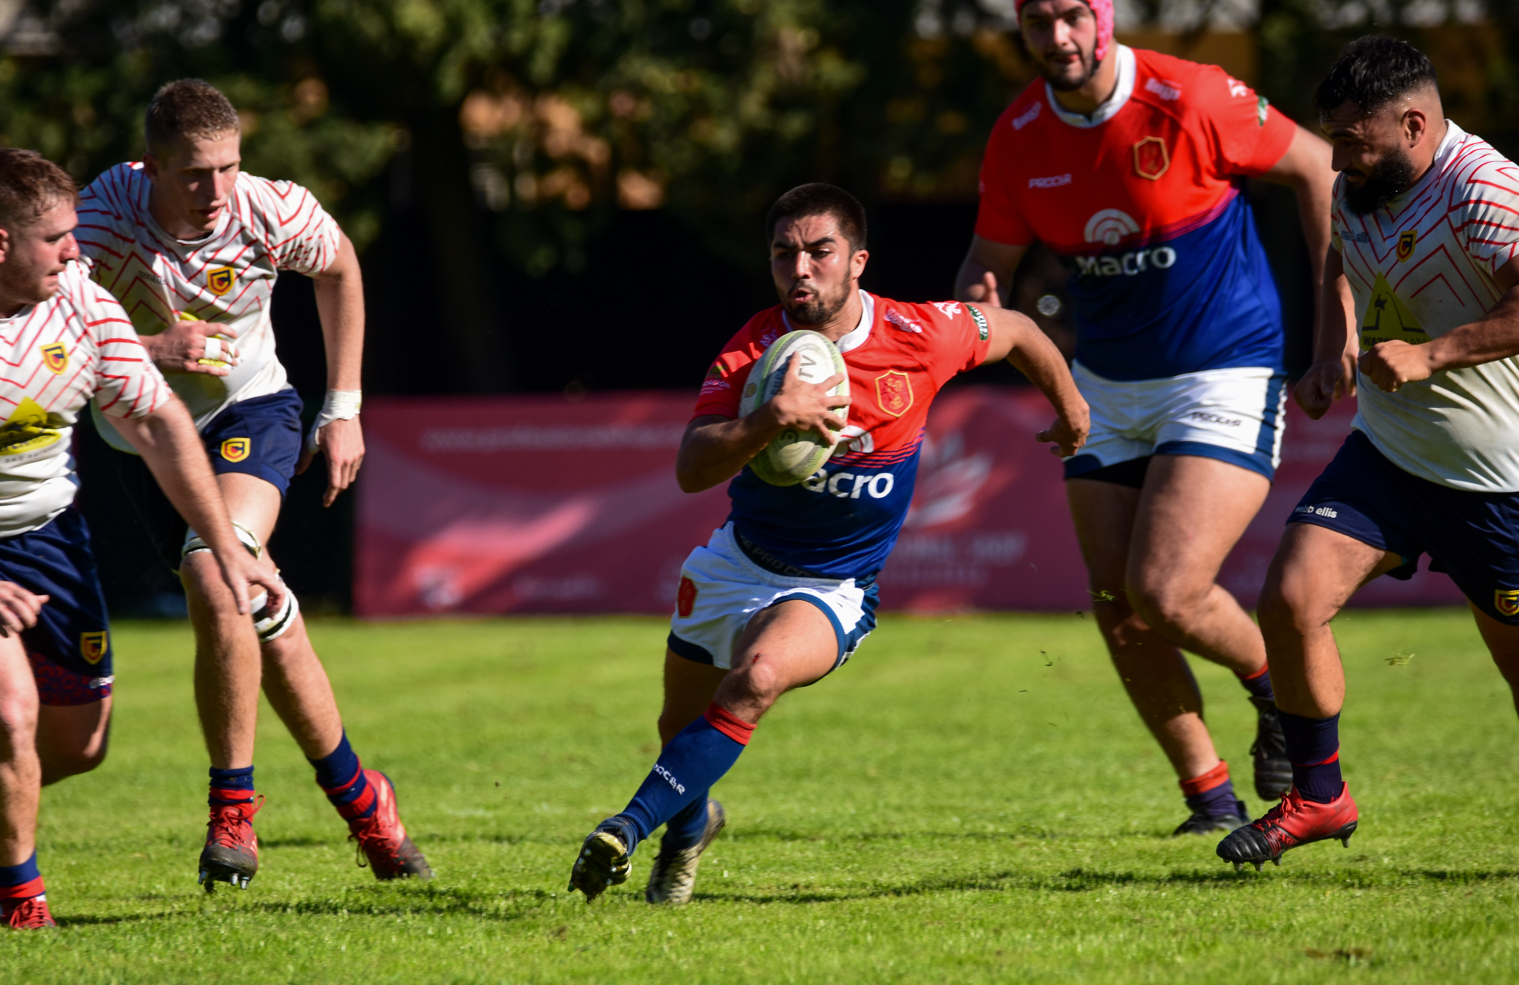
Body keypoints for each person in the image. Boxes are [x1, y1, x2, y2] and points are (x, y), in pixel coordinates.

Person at [566, 183, 1090, 903]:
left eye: (819, 251)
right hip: (735, 561)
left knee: (755, 679)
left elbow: (1022, 331)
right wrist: (771, 417)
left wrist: (1071, 408)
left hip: (831, 586)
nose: (800, 269)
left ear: (858, 262)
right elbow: (692, 467)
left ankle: (624, 830)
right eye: (785, 254)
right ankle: (691, 828)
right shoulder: (753, 348)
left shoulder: (920, 333)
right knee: (677, 730)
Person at [954, 0, 1337, 834]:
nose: (1057, 38)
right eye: (1037, 23)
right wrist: (976, 316)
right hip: (1106, 387)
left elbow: (1318, 165)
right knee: (1116, 600)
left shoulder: (1189, 94)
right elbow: (989, 263)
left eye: (1070, 17)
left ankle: (1274, 686)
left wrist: (1332, 325)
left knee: (1164, 589)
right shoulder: (1018, 135)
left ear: (1105, 16)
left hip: (1226, 370)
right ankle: (1208, 796)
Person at [73, 80, 429, 890]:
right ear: (150, 165)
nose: (216, 192)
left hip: (252, 409)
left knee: (219, 568)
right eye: (196, 174)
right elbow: (48, 329)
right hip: (143, 440)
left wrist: (344, 407)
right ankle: (362, 796)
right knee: (258, 604)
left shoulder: (269, 206)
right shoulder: (99, 217)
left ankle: (232, 807)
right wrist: (154, 349)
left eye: (229, 167)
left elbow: (340, 267)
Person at [0, 148, 284, 928]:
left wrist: (229, 548)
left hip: (50, 540)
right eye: (56, 238)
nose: (76, 249)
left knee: (80, 747)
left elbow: (157, 422)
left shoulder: (81, 303)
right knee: (10, 713)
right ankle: (24, 903)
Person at [1219, 37, 1519, 869]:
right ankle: (1319, 796)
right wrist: (1332, 350)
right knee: (1288, 598)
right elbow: (1339, 262)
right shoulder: (1358, 185)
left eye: (1353, 138)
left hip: (1497, 480)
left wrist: (1434, 353)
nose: (1337, 157)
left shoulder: (1483, 188)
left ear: (1415, 123)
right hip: (1387, 453)